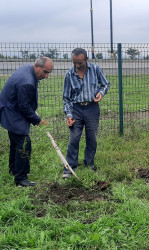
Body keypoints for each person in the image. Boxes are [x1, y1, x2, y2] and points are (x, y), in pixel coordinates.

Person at [0, 57, 53, 187]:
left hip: (10, 106)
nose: (47, 76)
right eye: (45, 72)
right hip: (11, 111)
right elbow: (24, 107)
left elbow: (24, 103)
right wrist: (38, 120)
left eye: (49, 72)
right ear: (36, 67)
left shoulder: (28, 68)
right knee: (24, 142)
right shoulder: (27, 82)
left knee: (16, 142)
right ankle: (21, 179)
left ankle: (14, 169)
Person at [62, 48, 110, 179]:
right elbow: (66, 98)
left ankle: (89, 164)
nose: (77, 65)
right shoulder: (69, 75)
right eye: (74, 62)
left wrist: (101, 93)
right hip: (76, 109)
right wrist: (69, 115)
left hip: (92, 108)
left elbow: (106, 84)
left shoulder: (95, 69)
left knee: (92, 138)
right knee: (74, 138)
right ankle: (69, 168)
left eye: (80, 62)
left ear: (86, 60)